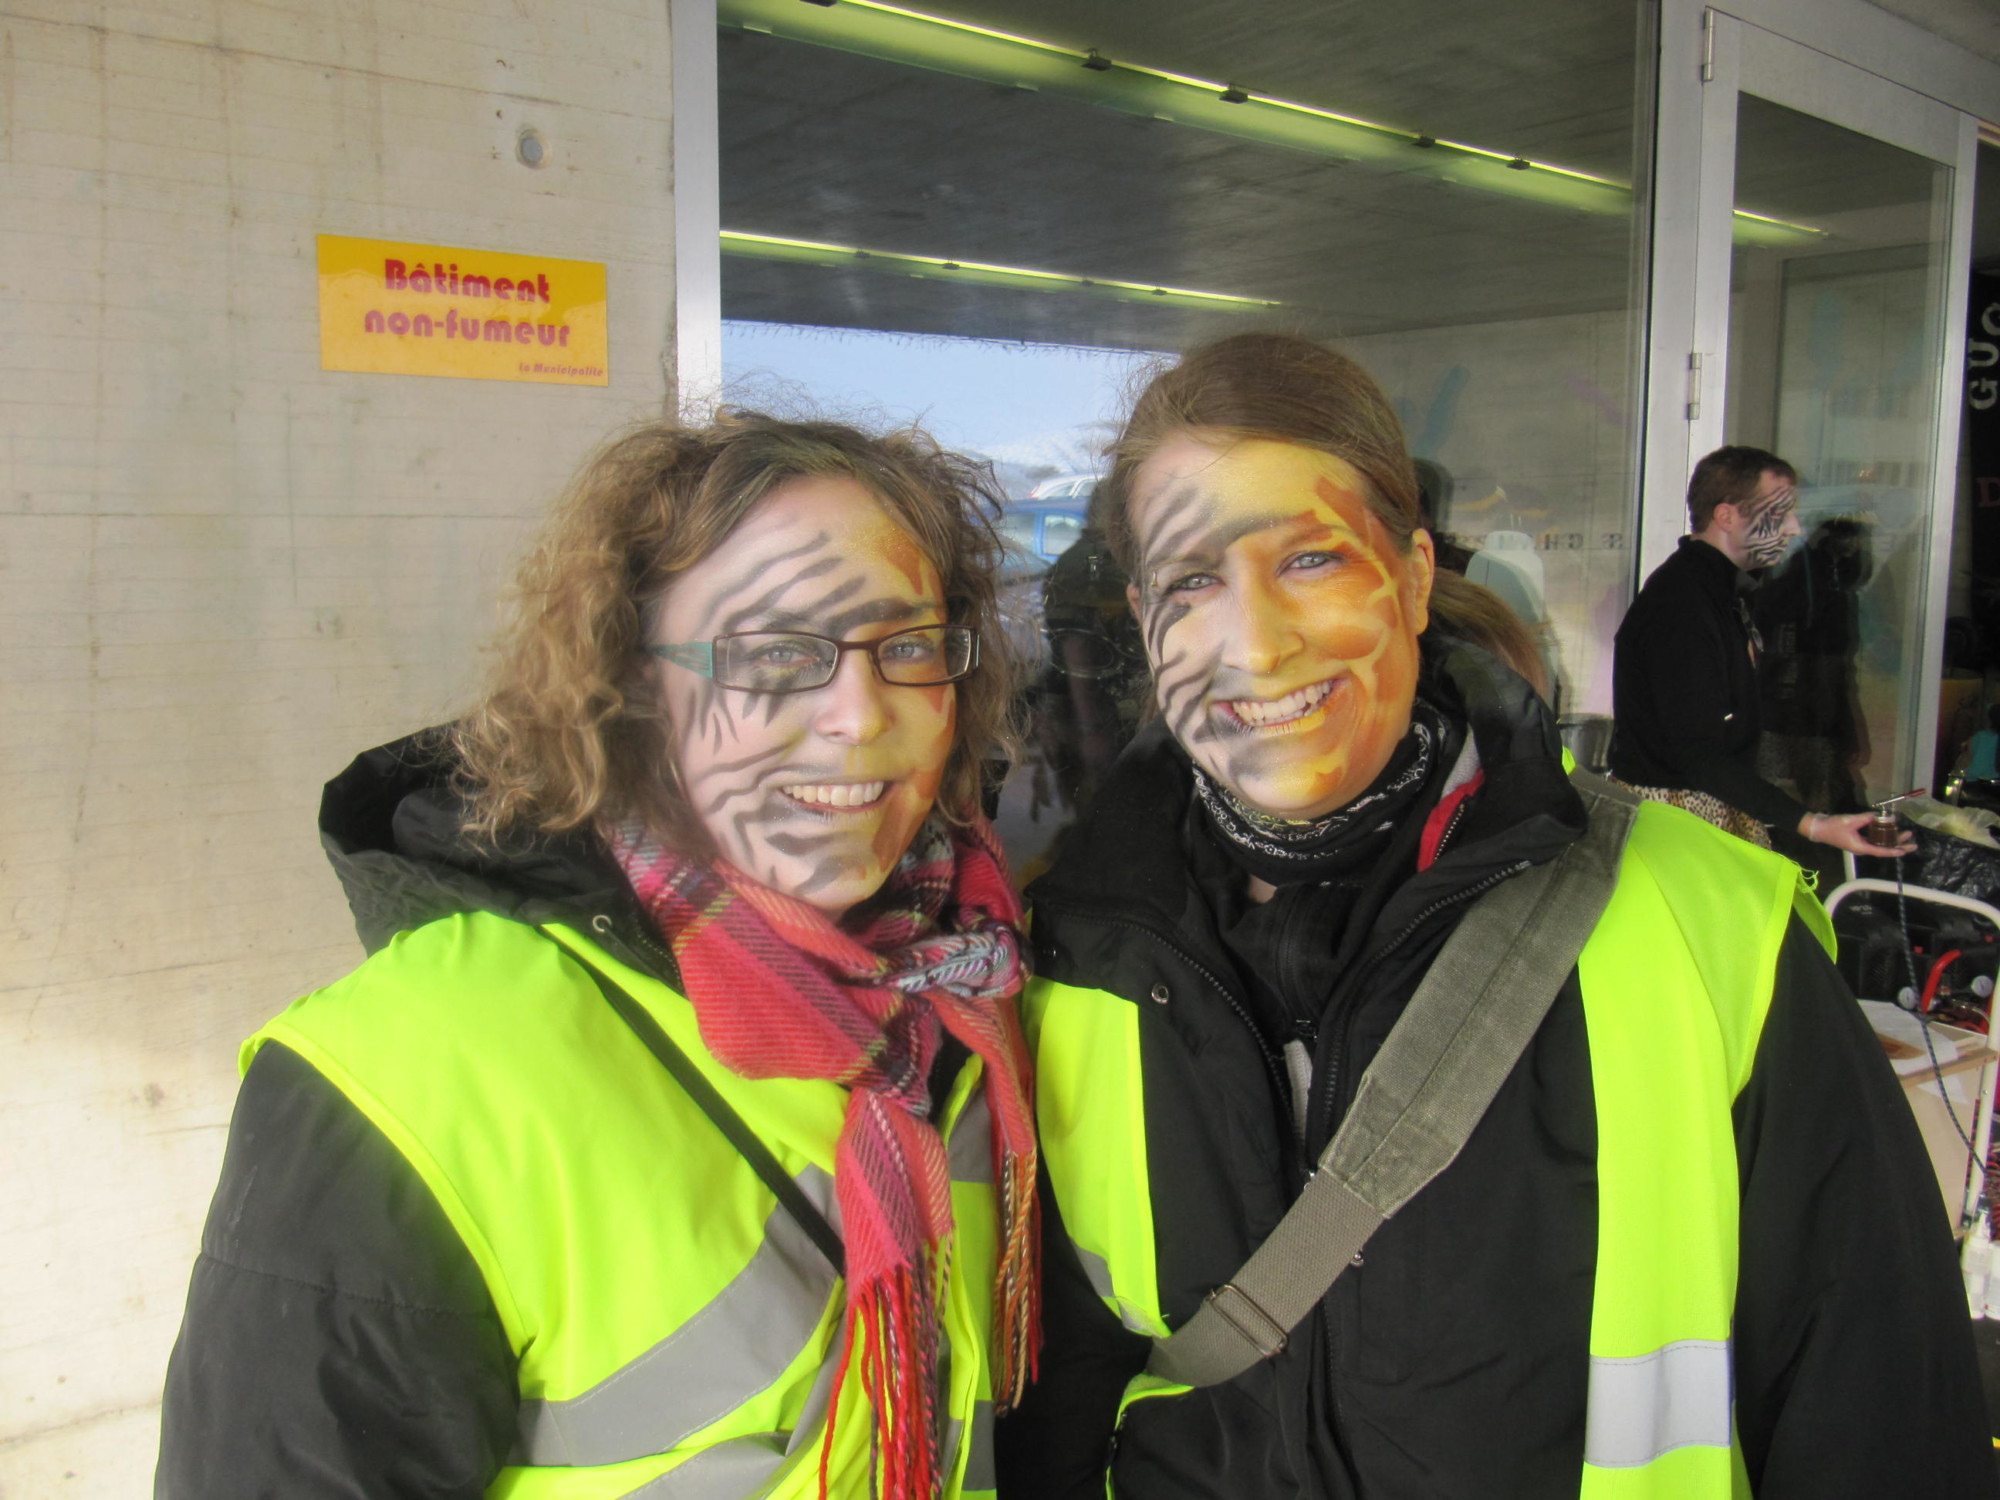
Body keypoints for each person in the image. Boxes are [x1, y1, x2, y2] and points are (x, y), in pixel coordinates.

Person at [995, 334, 1991, 1498]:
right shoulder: (1070, 952)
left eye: (1309, 559)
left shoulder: (1706, 926)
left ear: (1413, 575)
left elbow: (1875, 1414)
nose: (1255, 644)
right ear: (1139, 614)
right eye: (1190, 582)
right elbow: (1060, 1405)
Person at [157, 414, 1039, 1499]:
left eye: (906, 647)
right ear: (631, 689)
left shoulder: (966, 992)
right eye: (773, 654)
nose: (860, 716)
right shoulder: (405, 1071)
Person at [1610, 445, 1910, 856]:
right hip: (1676, 826)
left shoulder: (1719, 591)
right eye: (1779, 512)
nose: (1795, 529)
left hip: (1696, 812)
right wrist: (1813, 824)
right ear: (1727, 516)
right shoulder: (1682, 604)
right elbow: (1696, 752)